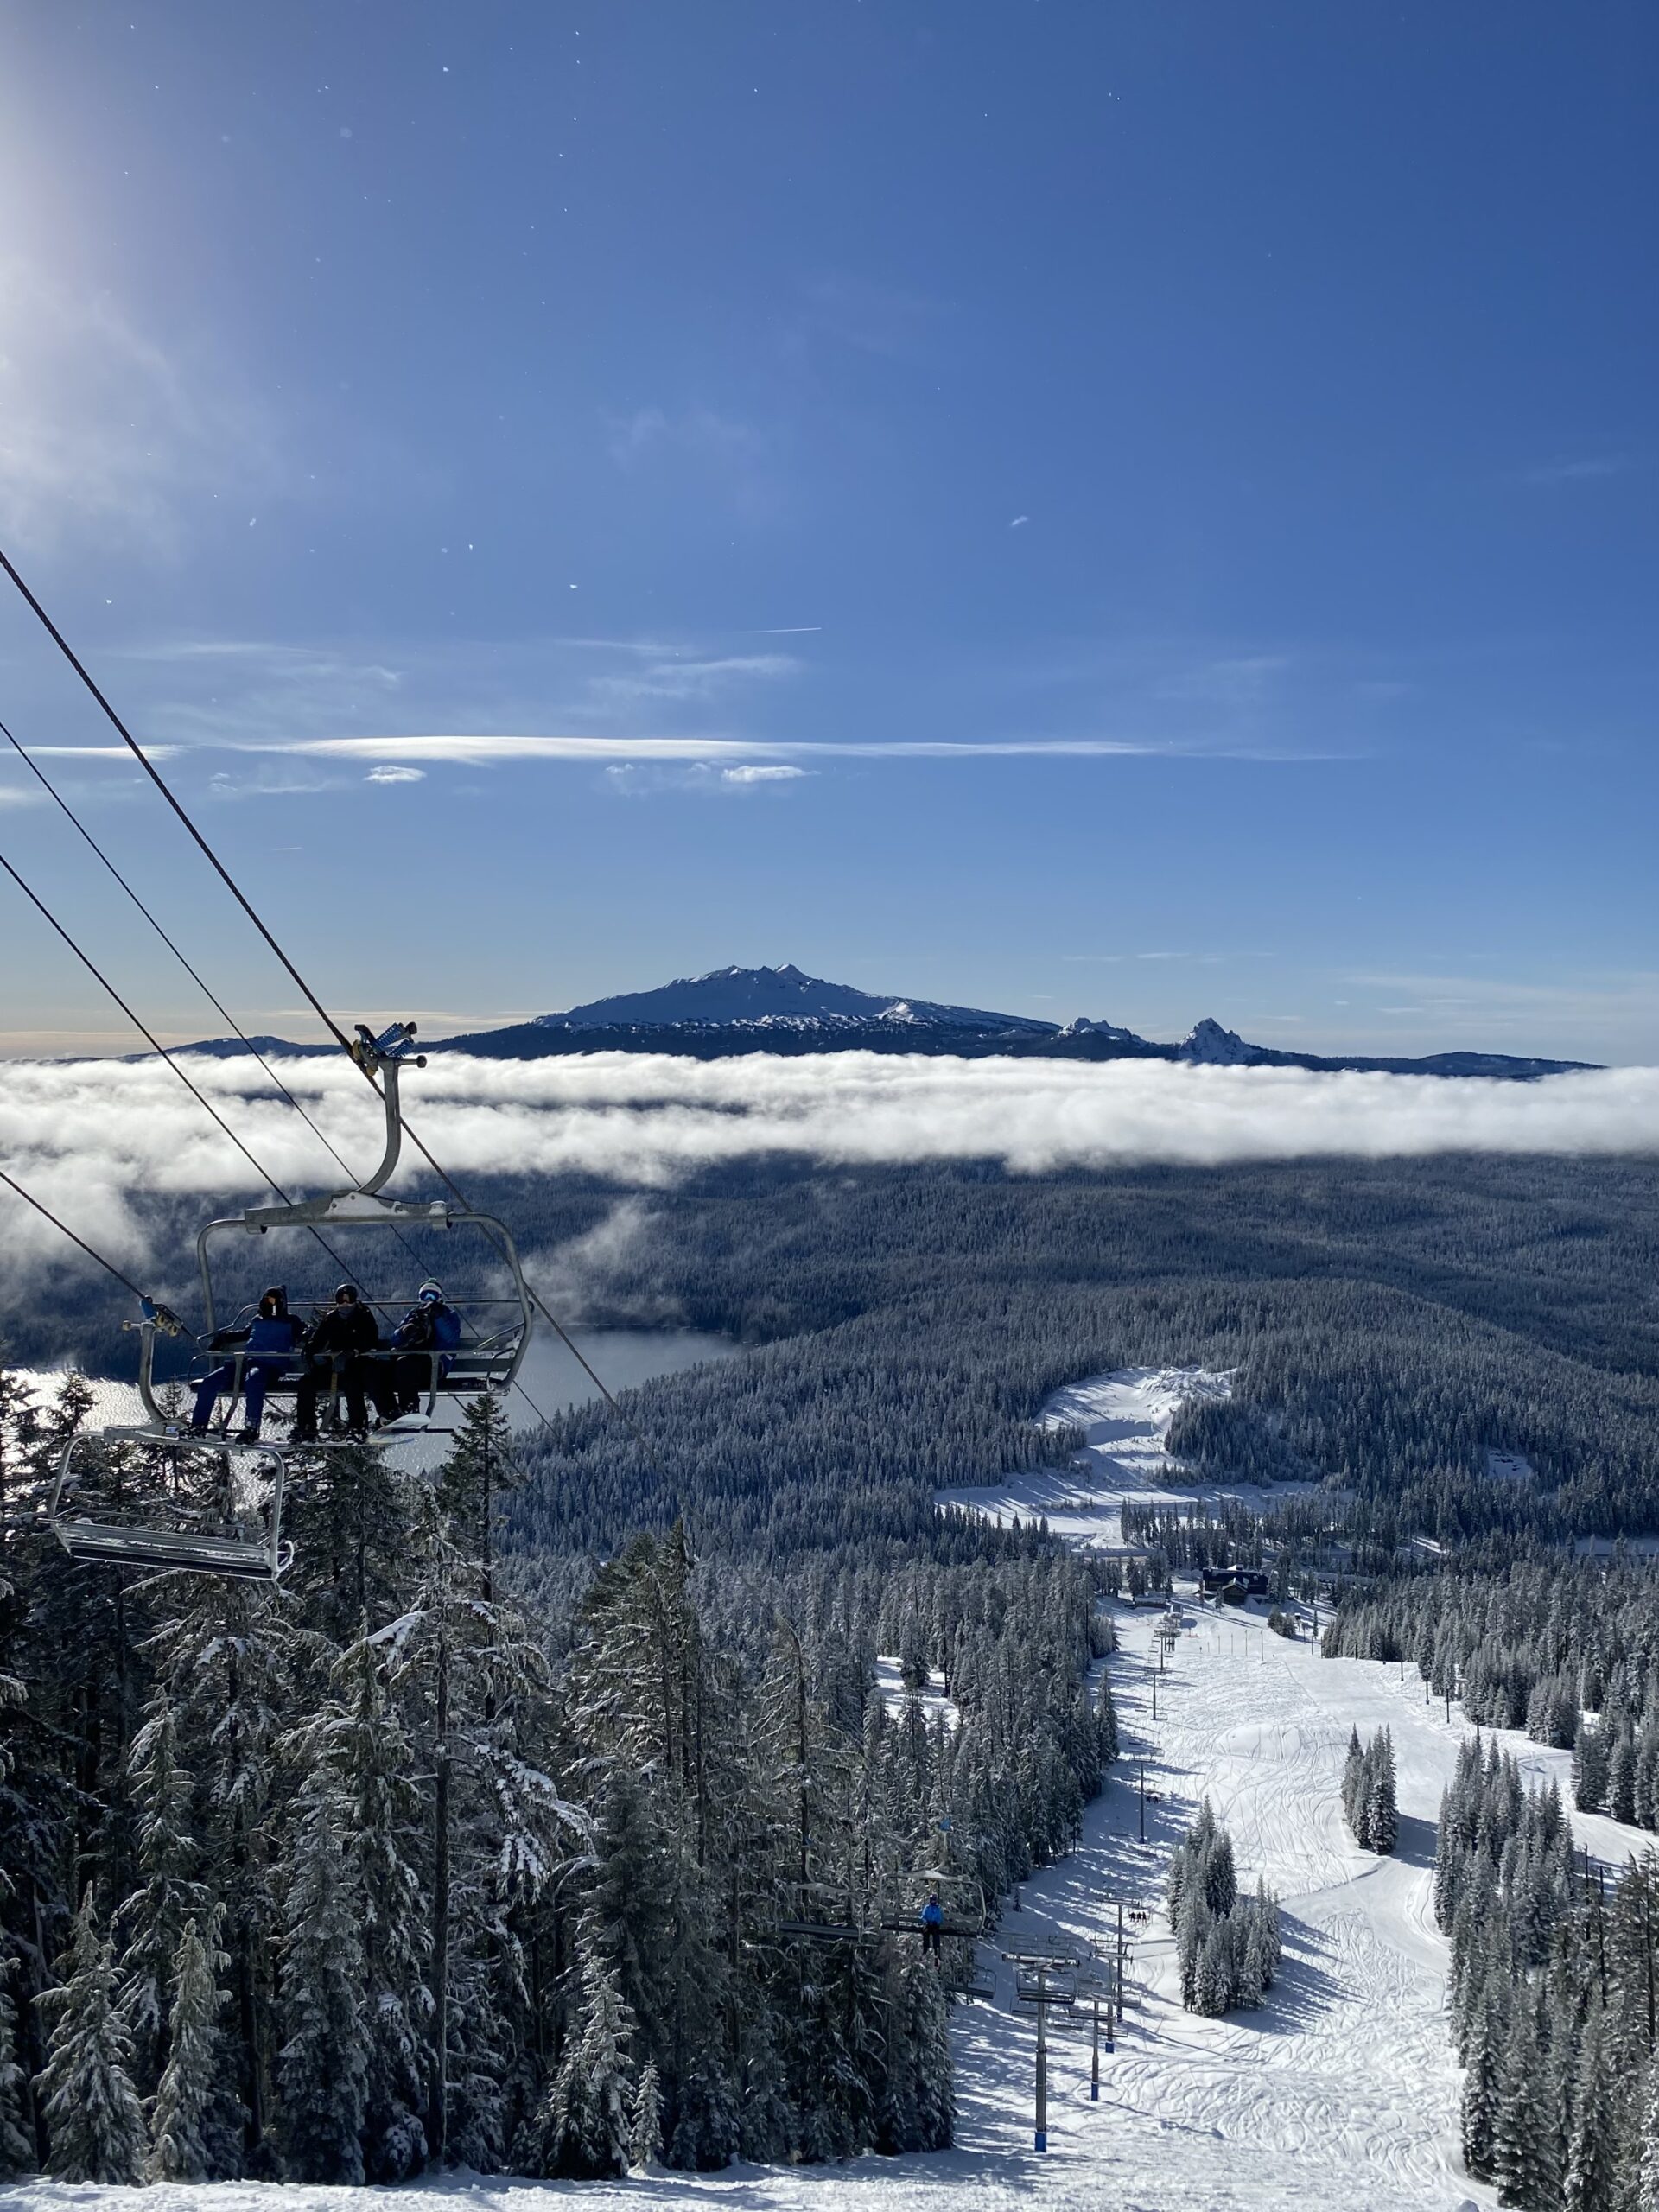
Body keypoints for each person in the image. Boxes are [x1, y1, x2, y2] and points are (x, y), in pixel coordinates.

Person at [190, 1286, 305, 1442]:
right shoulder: (257, 1321)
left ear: (281, 1303)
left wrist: (311, 1338)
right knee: (210, 1382)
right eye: (266, 1300)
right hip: (246, 1363)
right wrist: (222, 1338)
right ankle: (198, 1426)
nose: (269, 1304)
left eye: (272, 1301)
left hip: (270, 1366)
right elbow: (243, 1334)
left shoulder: (291, 1322)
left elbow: (306, 1333)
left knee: (253, 1381)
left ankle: (251, 1428)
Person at [291, 1283, 391, 1442]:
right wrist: (309, 1351)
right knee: (306, 1383)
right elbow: (319, 1338)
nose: (344, 1303)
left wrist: (351, 1352)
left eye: (348, 1299)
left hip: (357, 1362)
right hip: (334, 1364)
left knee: (352, 1382)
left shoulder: (363, 1315)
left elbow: (370, 1339)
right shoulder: (332, 1318)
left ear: (355, 1300)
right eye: (340, 1299)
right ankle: (306, 1427)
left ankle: (358, 1426)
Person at [386, 1278, 462, 1418]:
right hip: (411, 1360)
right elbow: (394, 1340)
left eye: (432, 1295)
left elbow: (450, 1338)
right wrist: (404, 1330)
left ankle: (410, 1408)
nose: (428, 1299)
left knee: (405, 1365)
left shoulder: (448, 1314)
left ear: (439, 1297)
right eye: (424, 1296)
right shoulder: (414, 1314)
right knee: (381, 1371)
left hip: (435, 1365)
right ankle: (388, 1412)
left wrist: (437, 1317)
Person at [920, 1890, 944, 1956]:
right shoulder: (927, 1908)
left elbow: (940, 1918)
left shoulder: (938, 1908)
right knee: (925, 1932)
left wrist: (936, 1922)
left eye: (934, 1900)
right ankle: (925, 1948)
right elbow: (923, 1916)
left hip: (935, 1925)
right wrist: (926, 1921)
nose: (933, 1901)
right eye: (932, 1900)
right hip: (928, 1925)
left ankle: (936, 1949)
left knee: (936, 1934)